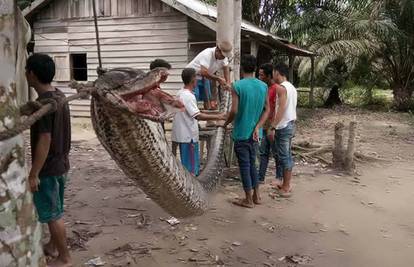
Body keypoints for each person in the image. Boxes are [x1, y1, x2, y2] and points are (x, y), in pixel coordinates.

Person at [26, 54, 72, 267]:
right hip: (62, 163)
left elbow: (45, 139)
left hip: (49, 167)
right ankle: (53, 247)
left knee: (53, 215)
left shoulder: (44, 105)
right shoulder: (59, 96)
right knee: (57, 208)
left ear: (32, 74)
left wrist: (34, 173)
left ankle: (64, 258)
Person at [223, 55, 269, 208]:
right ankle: (257, 196)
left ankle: (248, 199)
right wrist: (258, 126)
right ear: (255, 68)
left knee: (244, 165)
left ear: (242, 68)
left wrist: (225, 123)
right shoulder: (263, 86)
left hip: (242, 132)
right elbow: (267, 110)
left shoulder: (237, 86)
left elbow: (234, 111)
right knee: (252, 164)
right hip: (256, 134)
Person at [172, 68, 226, 176]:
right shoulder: (188, 96)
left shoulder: (180, 93)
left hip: (182, 135)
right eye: (196, 78)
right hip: (188, 137)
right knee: (191, 170)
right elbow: (198, 116)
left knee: (186, 166)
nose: (198, 80)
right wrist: (218, 116)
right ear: (193, 80)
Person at [268, 63, 297, 198]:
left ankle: (286, 186)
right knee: (285, 155)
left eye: (273, 72)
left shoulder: (282, 88)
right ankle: (285, 183)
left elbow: (282, 108)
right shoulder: (291, 87)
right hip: (290, 123)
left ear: (277, 72)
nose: (272, 75)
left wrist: (273, 126)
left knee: (284, 156)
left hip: (283, 125)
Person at [186, 41, 232, 110]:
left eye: (224, 56)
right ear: (217, 50)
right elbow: (203, 72)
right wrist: (219, 79)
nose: (223, 58)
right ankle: (192, 115)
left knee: (207, 98)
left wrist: (228, 82)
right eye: (222, 55)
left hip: (205, 76)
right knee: (195, 96)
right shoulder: (207, 54)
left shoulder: (223, 58)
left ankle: (207, 116)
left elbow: (226, 68)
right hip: (192, 75)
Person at [257, 63, 282, 184]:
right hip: (265, 124)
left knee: (276, 152)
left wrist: (274, 126)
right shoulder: (264, 88)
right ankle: (260, 177)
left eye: (262, 75)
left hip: (273, 126)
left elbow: (279, 108)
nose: (259, 77)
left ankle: (279, 177)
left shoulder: (277, 89)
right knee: (263, 152)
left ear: (268, 75)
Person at [148, 58, 172, 133]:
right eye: (166, 72)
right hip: (153, 125)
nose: (168, 74)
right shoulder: (150, 87)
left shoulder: (155, 85)